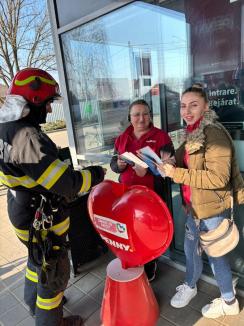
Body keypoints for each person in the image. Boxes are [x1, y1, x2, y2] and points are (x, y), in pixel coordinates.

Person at [0, 68, 105, 326]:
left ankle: (32, 304)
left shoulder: (6, 126)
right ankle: (50, 320)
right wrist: (96, 174)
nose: (49, 110)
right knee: (53, 274)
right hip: (42, 221)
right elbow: (67, 185)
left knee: (35, 261)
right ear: (34, 101)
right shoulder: (26, 137)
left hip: (21, 213)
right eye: (48, 103)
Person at [157, 84, 244, 318]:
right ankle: (190, 286)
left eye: (193, 105)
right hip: (194, 208)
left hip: (212, 211)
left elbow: (218, 178)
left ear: (206, 107)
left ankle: (229, 301)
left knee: (216, 257)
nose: (187, 110)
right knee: (190, 250)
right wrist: (168, 161)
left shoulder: (213, 132)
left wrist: (175, 173)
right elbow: (181, 158)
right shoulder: (193, 133)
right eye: (183, 106)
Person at [110, 99, 174, 281]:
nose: (141, 118)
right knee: (130, 231)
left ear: (150, 116)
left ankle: (150, 263)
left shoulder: (162, 137)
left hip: (152, 198)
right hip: (126, 197)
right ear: (130, 118)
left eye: (145, 113)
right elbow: (113, 163)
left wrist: (150, 172)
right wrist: (120, 165)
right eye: (136, 114)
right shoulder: (122, 138)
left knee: (148, 233)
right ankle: (132, 260)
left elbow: (170, 169)